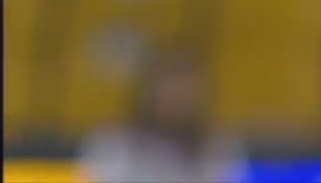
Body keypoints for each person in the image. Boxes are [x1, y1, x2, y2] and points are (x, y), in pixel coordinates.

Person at [79, 44, 247, 183]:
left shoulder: (221, 150)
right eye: (171, 86)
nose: (178, 98)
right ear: (148, 90)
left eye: (187, 89)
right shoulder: (111, 147)